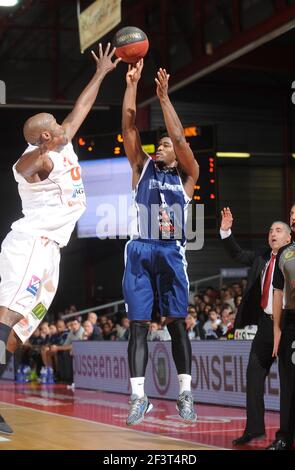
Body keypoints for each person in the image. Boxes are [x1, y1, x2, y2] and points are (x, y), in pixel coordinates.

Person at [0, 43, 121, 434]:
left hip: (50, 252)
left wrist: (102, 73)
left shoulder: (62, 138)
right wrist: (40, 151)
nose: (65, 127)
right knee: (7, 318)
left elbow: (81, 108)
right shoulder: (37, 158)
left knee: (20, 331)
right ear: (45, 136)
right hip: (30, 243)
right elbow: (22, 167)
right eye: (56, 128)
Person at [122, 60, 199, 426]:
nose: (164, 146)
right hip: (141, 249)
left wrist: (165, 98)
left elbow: (181, 139)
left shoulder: (189, 177)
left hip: (171, 250)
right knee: (137, 325)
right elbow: (128, 124)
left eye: (167, 144)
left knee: (176, 323)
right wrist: (132, 84)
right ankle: (139, 397)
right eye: (161, 143)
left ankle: (185, 392)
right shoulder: (142, 166)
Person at [220, 207, 295, 445]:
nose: (273, 233)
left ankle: (291, 432)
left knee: (289, 382)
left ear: (289, 238)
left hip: (289, 323)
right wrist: (225, 230)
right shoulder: (262, 257)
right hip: (265, 324)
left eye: (279, 230)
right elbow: (237, 254)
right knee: (253, 374)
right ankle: (254, 428)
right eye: (271, 230)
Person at [266, 201, 295, 450]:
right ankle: (284, 437)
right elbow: (277, 292)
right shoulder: (286, 252)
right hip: (293, 322)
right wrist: (277, 329)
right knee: (289, 382)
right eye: (292, 214)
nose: (294, 217)